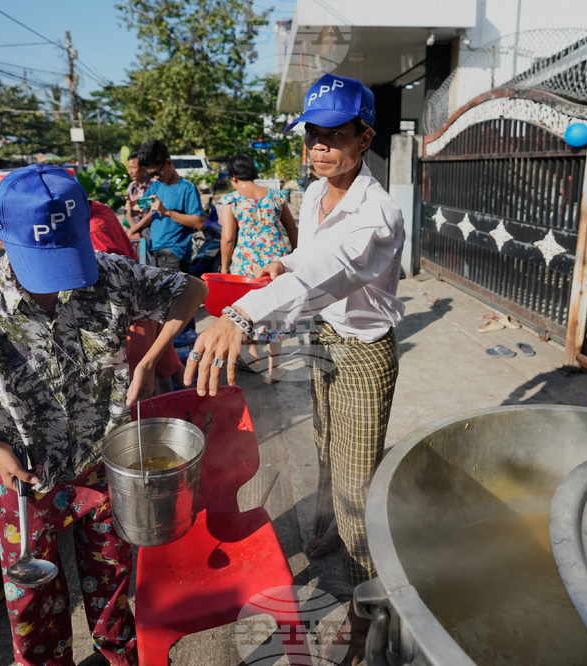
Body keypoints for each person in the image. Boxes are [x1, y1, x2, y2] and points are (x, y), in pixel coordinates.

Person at [0, 165, 206, 666]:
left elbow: (191, 290)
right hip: (21, 469)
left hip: (103, 459)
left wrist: (150, 357)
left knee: (112, 578)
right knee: (31, 595)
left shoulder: (109, 274)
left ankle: (122, 656)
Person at [185, 74, 405, 666]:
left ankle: (370, 618)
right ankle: (331, 524)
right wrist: (267, 279)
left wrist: (244, 313)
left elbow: (324, 269)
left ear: (365, 137)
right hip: (324, 333)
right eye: (312, 135)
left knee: (359, 487)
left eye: (334, 135)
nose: (319, 147)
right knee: (326, 442)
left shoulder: (376, 214)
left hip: (364, 348)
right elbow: (301, 263)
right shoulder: (312, 195)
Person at [88, 199, 187, 393]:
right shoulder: (101, 208)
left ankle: (165, 416)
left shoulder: (93, 230)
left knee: (139, 382)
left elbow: (109, 282)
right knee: (169, 364)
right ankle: (202, 409)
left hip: (127, 310)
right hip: (145, 301)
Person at [218, 154, 298, 382]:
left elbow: (227, 238)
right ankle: (274, 369)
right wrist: (295, 255)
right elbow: (292, 228)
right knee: (276, 312)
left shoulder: (232, 200)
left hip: (245, 264)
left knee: (247, 310)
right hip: (275, 262)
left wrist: (224, 268)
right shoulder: (275, 196)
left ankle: (255, 362)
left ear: (233, 176)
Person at [127, 140, 205, 273]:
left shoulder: (187, 188)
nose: (155, 177)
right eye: (151, 175)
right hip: (153, 252)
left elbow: (199, 223)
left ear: (168, 163)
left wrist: (167, 212)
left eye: (157, 173)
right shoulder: (156, 186)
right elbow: (139, 212)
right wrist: (132, 207)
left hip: (174, 254)